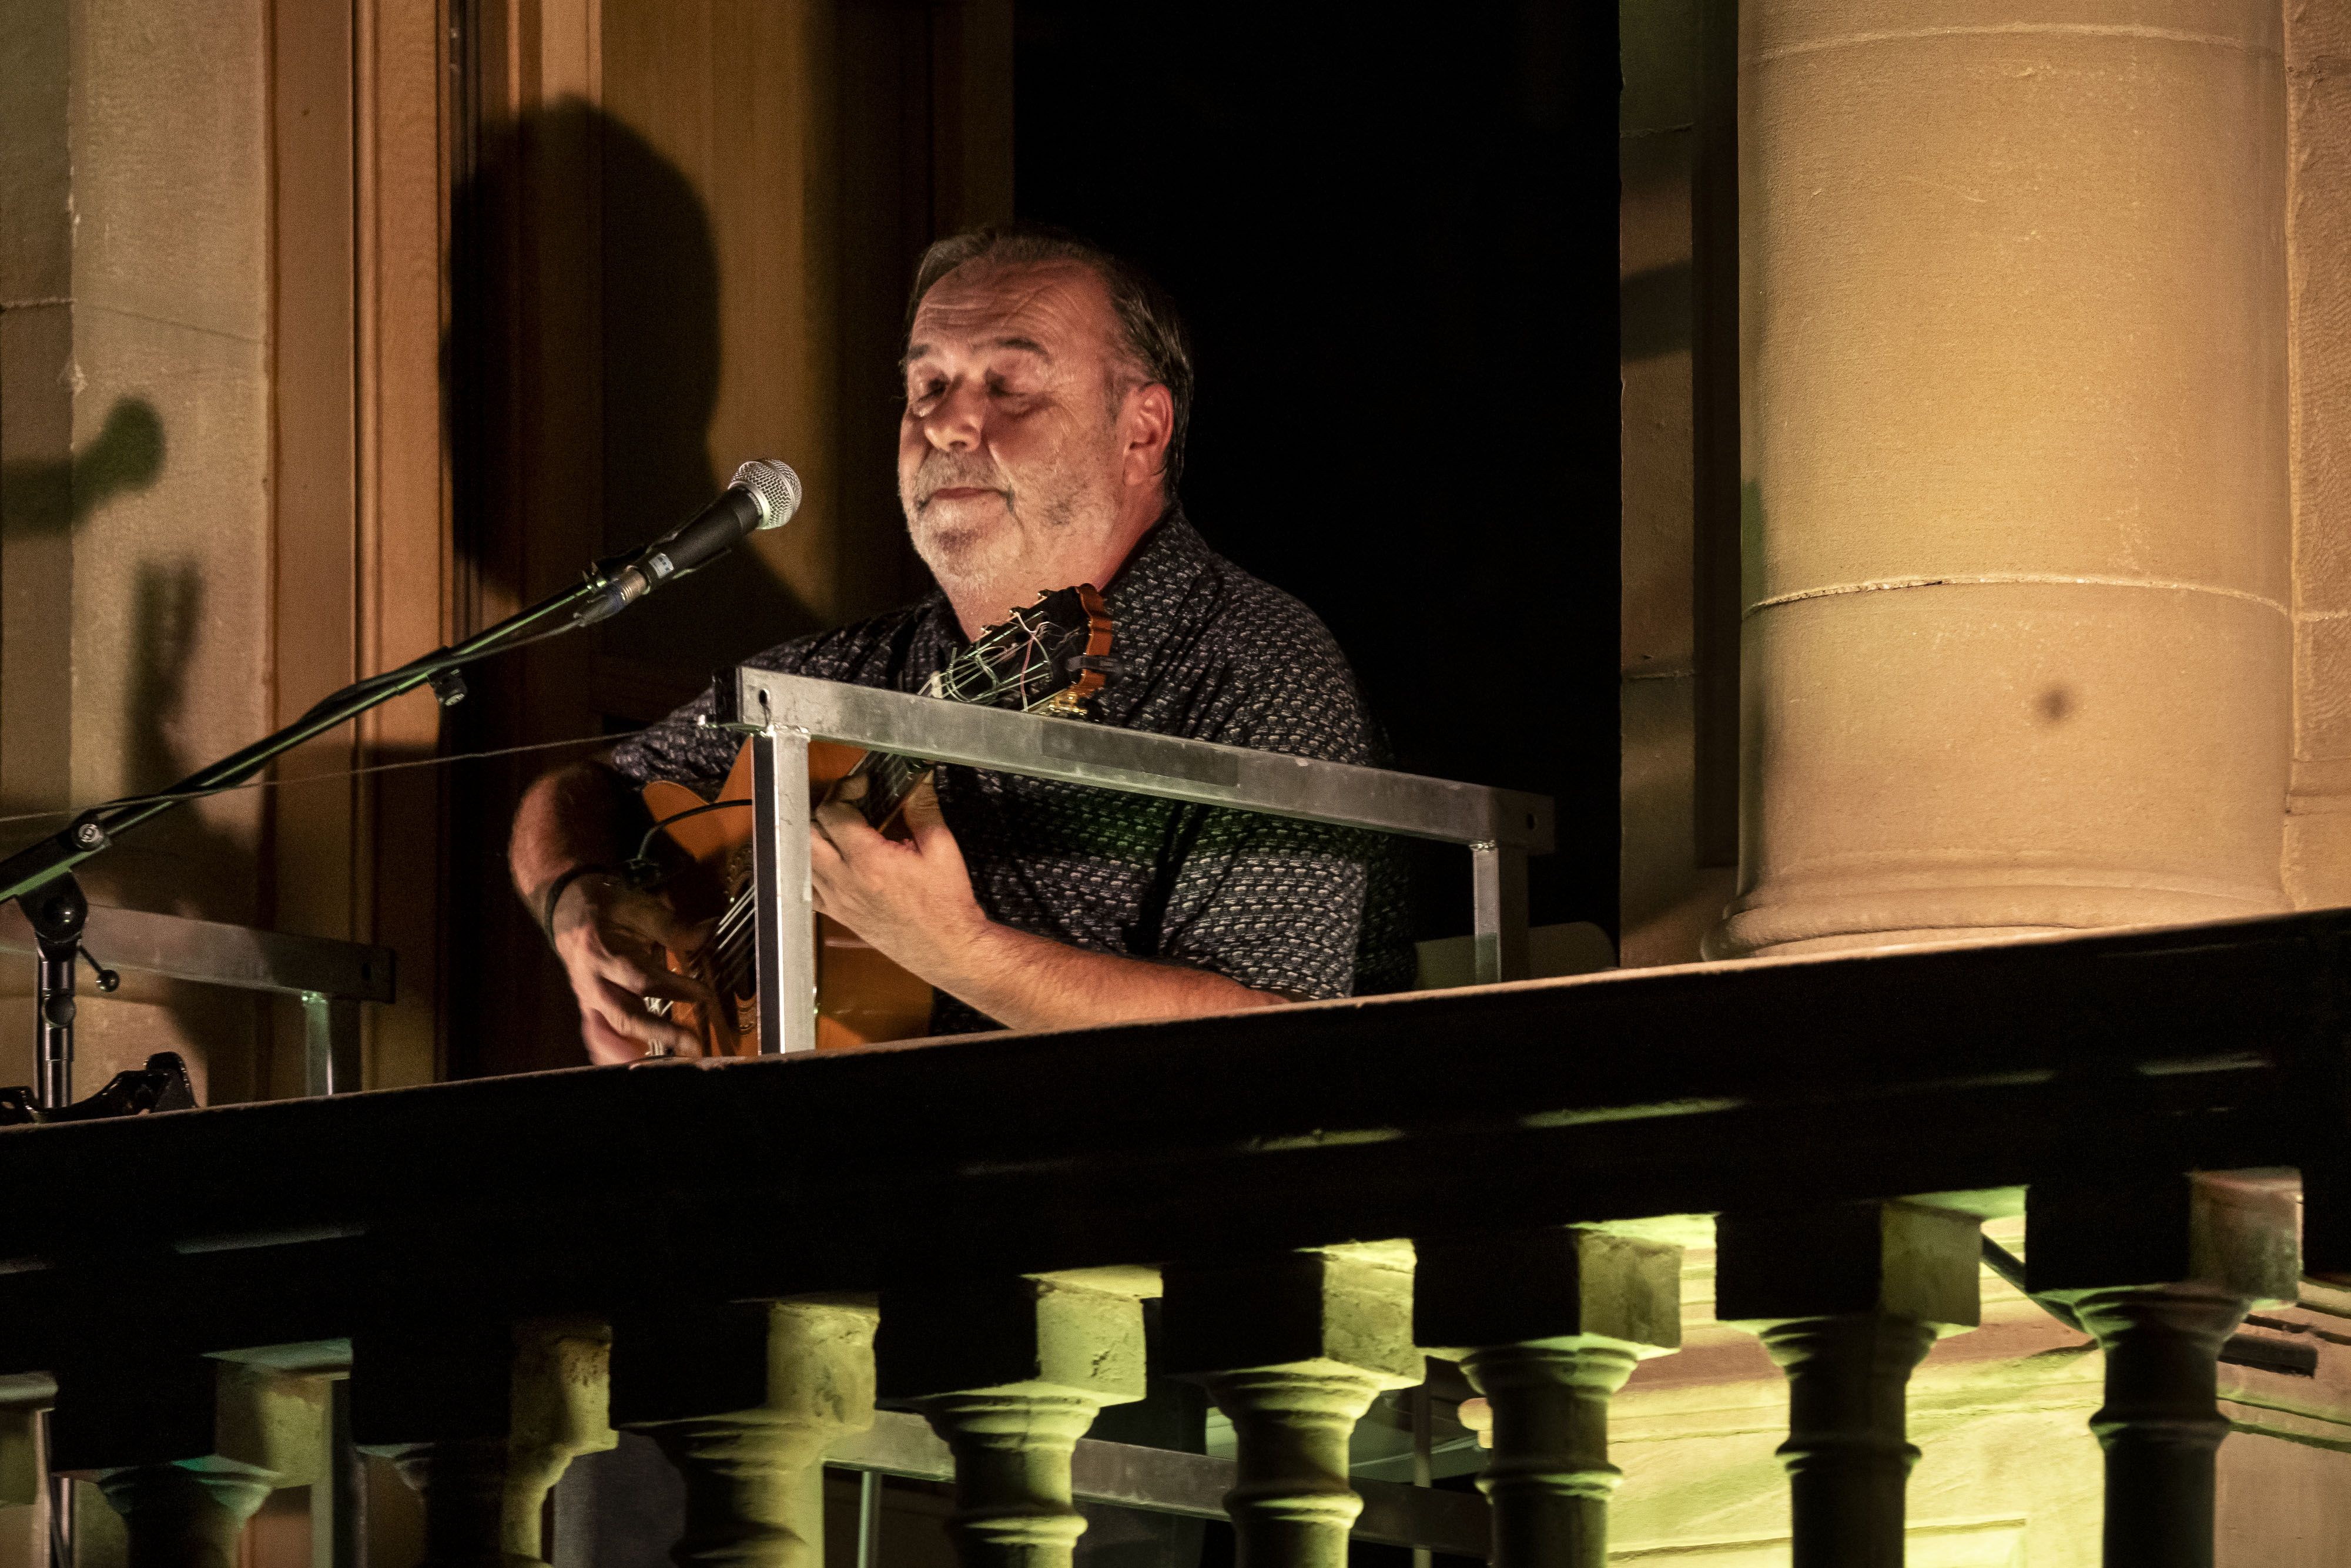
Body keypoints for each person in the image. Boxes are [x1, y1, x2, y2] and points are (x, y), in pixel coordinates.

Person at [508, 226, 1410, 1063]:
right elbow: (584, 790)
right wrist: (577, 902)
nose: (946, 423)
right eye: (927, 385)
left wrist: (960, 952)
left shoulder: (1255, 666)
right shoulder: (847, 672)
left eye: (1008, 386)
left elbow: (1289, 1045)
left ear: (1142, 430)